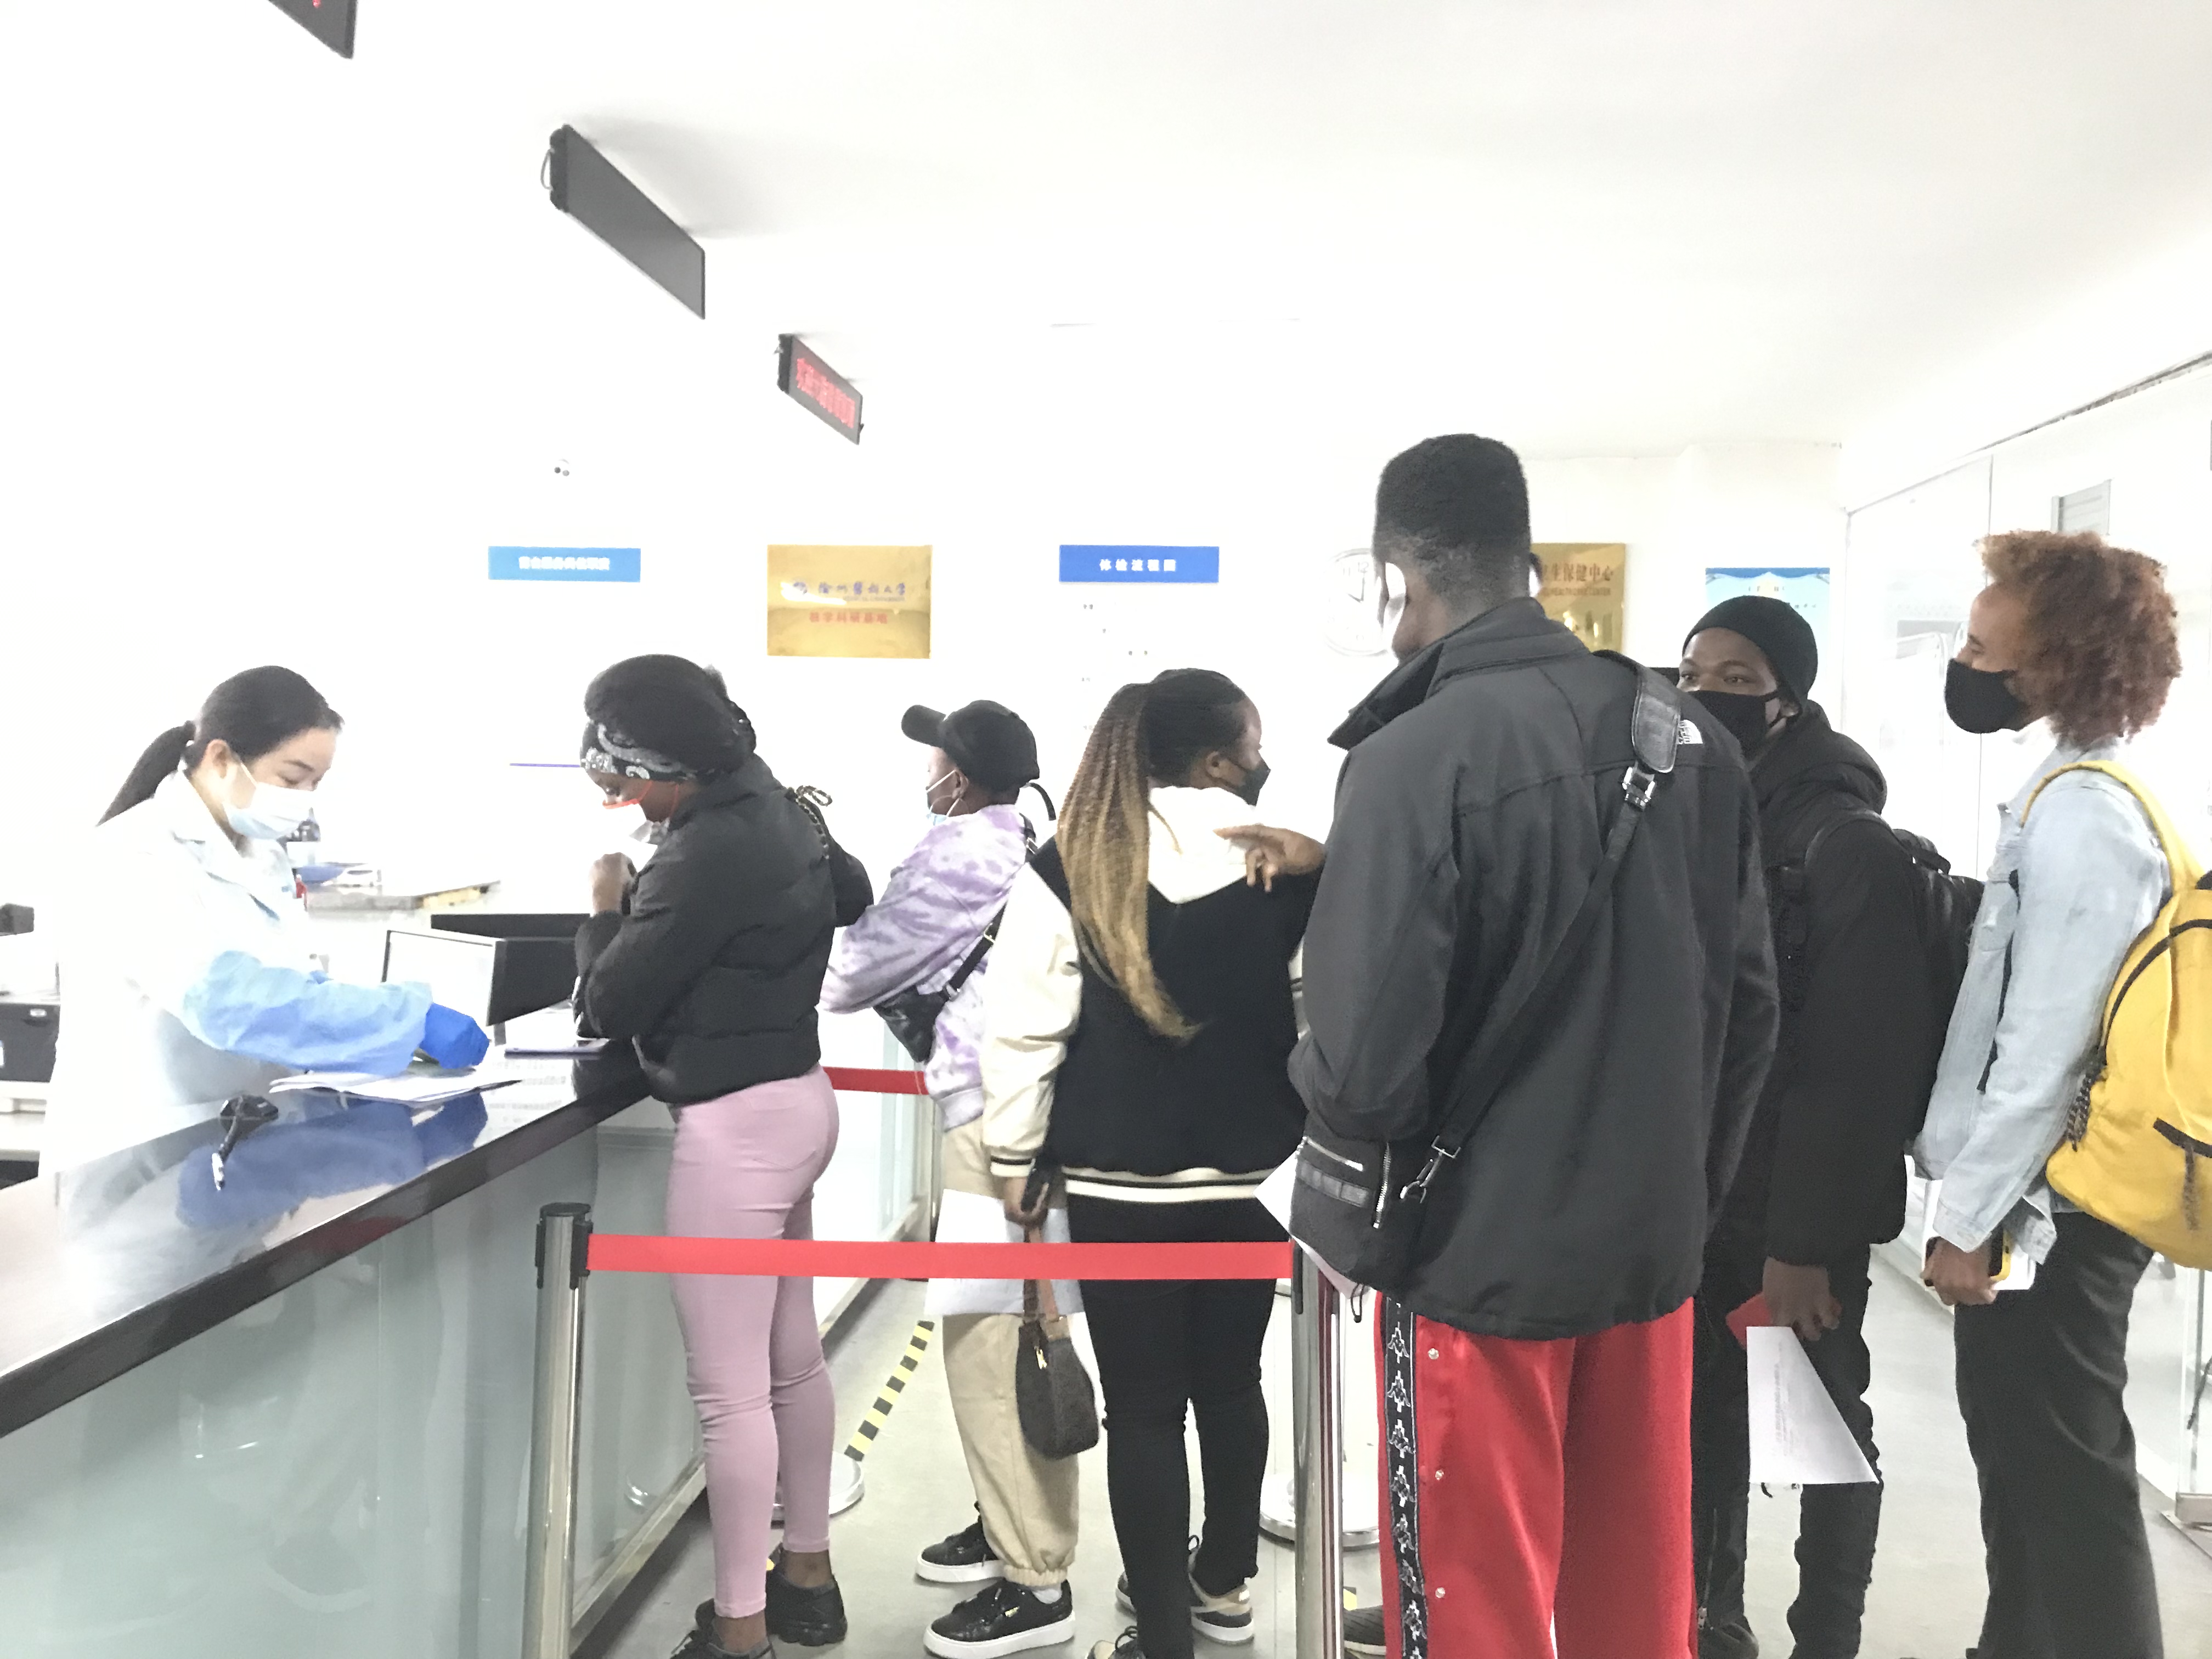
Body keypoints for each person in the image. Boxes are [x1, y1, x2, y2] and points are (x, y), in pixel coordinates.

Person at [1285, 436, 1777, 1659]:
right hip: (1649, 1259)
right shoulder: (1694, 743)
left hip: (1475, 1263)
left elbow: (1363, 1064)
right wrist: (1687, 1199)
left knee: (1475, 1609)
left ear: (1396, 577)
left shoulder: (1408, 759)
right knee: (1637, 1598)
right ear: (1532, 565)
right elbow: (1750, 1007)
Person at [981, 668, 1321, 1659]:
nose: (1261, 762)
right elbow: (1317, 1021)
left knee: (1141, 1406)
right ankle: (1226, 1584)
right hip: (1253, 1179)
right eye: (1253, 745)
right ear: (1219, 759)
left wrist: (1013, 1152)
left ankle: (1164, 1631)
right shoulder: (1283, 864)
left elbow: (1025, 1024)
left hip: (1116, 1180)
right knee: (1232, 1381)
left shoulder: (1070, 861)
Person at [1914, 531, 2181, 1659]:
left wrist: (1965, 1219)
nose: (1966, 668)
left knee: (2068, 1484)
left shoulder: (2087, 819)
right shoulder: (2067, 795)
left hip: (2057, 1212)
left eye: (1986, 652)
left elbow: (2043, 1048)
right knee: (2023, 1472)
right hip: (2046, 1200)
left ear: (2057, 664)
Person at [1677, 597, 1940, 1659]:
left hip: (1794, 1211)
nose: (1707, 693)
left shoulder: (1843, 841)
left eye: (1738, 679)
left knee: (1824, 1429)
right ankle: (1711, 1615)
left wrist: (1800, 1247)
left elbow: (1857, 1070)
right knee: (1706, 1415)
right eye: (1694, 672)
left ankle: (1825, 1635)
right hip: (1706, 1197)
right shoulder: (1710, 817)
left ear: (1789, 700)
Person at [573, 654, 848, 1659]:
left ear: (665, 767)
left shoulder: (700, 853)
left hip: (735, 1133)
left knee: (729, 1394)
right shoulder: (779, 806)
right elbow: (852, 889)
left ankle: (740, 1628)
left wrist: (607, 903)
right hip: (801, 1103)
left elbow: (609, 1002)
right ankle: (807, 1579)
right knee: (794, 1362)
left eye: (627, 780)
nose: (626, 800)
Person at [817, 699, 1083, 1658]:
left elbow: (847, 977)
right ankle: (1007, 1521)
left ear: (959, 778)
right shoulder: (1027, 840)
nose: (927, 771)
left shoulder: (955, 851)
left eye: (935, 759)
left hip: (988, 1125)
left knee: (990, 1346)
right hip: (1030, 1114)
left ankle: (1035, 1577)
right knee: (1021, 1331)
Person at [45, 667, 489, 1173]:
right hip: (139, 1155)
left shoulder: (261, 855)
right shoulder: (134, 855)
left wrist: (374, 1039)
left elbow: (289, 984)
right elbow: (226, 1000)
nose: (303, 799)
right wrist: (404, 1019)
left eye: (315, 783)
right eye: (292, 778)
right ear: (220, 758)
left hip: (237, 1143)